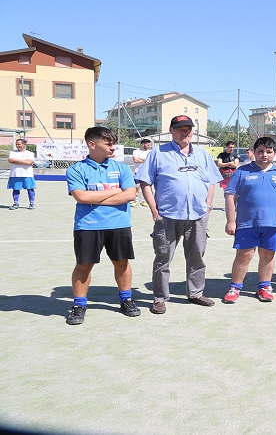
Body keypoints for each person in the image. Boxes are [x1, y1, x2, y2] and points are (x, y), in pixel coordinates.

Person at [135, 115, 223, 314]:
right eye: (180, 128)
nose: (185, 132)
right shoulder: (158, 153)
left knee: (197, 257)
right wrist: (154, 210)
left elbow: (210, 182)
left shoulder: (202, 154)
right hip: (167, 216)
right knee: (163, 258)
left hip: (198, 216)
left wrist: (207, 207)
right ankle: (159, 297)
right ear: (171, 130)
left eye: (188, 128)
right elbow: (145, 182)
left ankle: (195, 293)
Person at [65, 127, 139, 325]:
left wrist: (93, 199)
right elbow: (81, 196)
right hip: (87, 226)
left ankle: (126, 299)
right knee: (84, 265)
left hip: (119, 224)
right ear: (92, 144)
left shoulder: (122, 168)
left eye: (113, 143)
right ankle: (79, 305)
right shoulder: (76, 170)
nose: (112, 148)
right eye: (108, 143)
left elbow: (130, 194)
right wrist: (115, 192)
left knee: (122, 262)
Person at [222, 137, 276, 304]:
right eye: (260, 151)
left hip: (273, 224)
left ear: (274, 153)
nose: (264, 155)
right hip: (247, 223)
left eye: (269, 151)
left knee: (268, 255)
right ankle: (235, 287)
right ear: (254, 152)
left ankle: (264, 287)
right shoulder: (242, 171)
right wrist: (231, 221)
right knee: (244, 255)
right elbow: (230, 195)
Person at [7, 138, 36, 210]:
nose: (17, 146)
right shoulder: (12, 152)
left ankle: (31, 203)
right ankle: (16, 203)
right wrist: (24, 161)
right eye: (16, 144)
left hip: (27, 174)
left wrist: (15, 161)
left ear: (24, 144)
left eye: (19, 144)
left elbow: (29, 162)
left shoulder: (30, 153)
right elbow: (10, 160)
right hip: (15, 174)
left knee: (30, 189)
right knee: (16, 189)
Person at [131, 138, 152, 207]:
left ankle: (144, 200)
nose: (149, 146)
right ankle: (136, 200)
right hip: (138, 172)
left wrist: (143, 160)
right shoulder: (136, 151)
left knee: (146, 187)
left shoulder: (150, 152)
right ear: (143, 144)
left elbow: (151, 161)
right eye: (148, 145)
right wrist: (146, 160)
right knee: (137, 186)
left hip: (147, 172)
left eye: (149, 145)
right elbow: (136, 160)